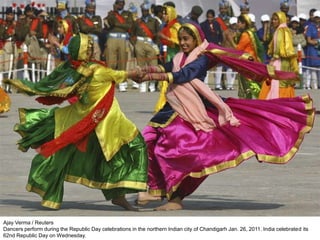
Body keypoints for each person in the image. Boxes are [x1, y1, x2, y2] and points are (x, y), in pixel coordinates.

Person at [134, 22, 314, 211]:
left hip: (197, 109)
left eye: (186, 39)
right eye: (181, 39)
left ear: (196, 39)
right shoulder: (179, 56)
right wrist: (146, 72)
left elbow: (185, 75)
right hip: (171, 108)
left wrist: (152, 78)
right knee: (147, 141)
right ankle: (153, 189)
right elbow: (166, 68)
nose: (183, 43)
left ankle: (176, 197)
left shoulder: (202, 57)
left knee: (184, 153)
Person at [5, 33, 148, 211]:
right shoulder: (98, 71)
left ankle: (116, 196)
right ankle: (139, 191)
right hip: (107, 123)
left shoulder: (75, 69)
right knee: (137, 146)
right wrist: (139, 73)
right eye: (91, 46)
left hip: (88, 122)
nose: (95, 48)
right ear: (86, 52)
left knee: (95, 158)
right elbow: (125, 74)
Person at [259, 11, 299, 99]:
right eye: (272, 19)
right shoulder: (284, 30)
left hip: (280, 61)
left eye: (276, 19)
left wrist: (274, 58)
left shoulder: (280, 31)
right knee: (283, 82)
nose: (273, 21)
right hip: (285, 61)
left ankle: (275, 101)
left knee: (276, 82)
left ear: (281, 19)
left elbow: (279, 47)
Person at [103, 0, 134, 92]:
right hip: (112, 38)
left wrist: (118, 24)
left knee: (122, 61)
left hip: (123, 39)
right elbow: (111, 23)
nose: (120, 5)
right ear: (115, 4)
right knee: (111, 61)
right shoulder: (111, 14)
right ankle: (110, 81)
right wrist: (114, 13)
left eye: (122, 3)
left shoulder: (128, 14)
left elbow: (129, 25)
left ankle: (122, 82)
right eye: (118, 3)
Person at [236, 14, 265, 99]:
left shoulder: (245, 34)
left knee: (250, 85)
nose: (238, 24)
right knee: (251, 84)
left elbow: (239, 49)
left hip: (246, 63)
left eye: (239, 22)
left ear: (244, 24)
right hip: (250, 62)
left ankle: (262, 99)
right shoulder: (251, 33)